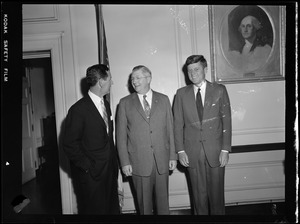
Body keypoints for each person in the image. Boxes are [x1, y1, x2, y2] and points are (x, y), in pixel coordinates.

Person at [173, 55, 232, 215]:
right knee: (198, 200)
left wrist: (225, 150)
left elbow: (227, 121)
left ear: (205, 70)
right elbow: (177, 125)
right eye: (189, 70)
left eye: (196, 69)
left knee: (217, 198)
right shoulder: (181, 94)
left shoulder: (219, 90)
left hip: (216, 152)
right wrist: (180, 151)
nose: (192, 73)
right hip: (191, 153)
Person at [116, 65, 177, 215]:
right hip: (138, 162)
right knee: (144, 208)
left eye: (138, 78)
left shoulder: (163, 100)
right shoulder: (124, 103)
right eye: (132, 79)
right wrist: (124, 162)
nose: (134, 82)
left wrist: (172, 156)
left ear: (148, 78)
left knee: (163, 207)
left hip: (161, 162)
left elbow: (170, 130)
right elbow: (121, 136)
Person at [63, 64, 120, 215]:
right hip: (92, 177)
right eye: (110, 79)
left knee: (112, 211)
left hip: (110, 172)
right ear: (101, 82)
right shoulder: (78, 110)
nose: (112, 83)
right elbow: (69, 144)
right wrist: (88, 167)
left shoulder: (106, 105)